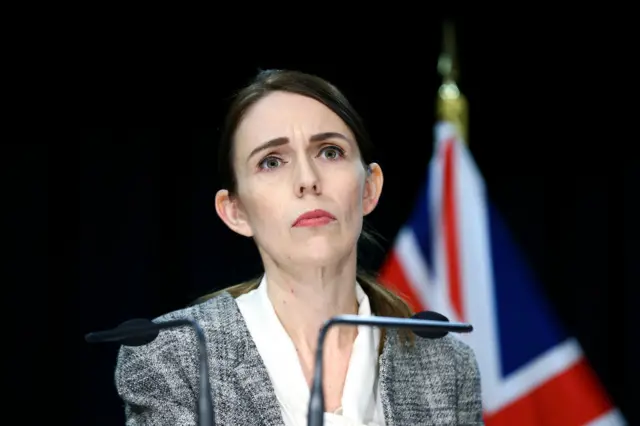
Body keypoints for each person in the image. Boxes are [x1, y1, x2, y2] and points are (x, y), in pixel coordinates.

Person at [114, 69, 484, 425]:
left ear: (369, 188)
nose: (308, 180)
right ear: (235, 212)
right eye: (271, 162)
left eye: (329, 152)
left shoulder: (446, 365)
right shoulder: (173, 359)